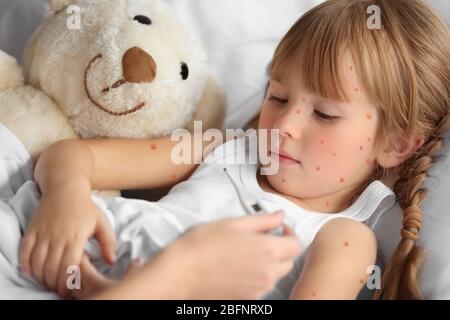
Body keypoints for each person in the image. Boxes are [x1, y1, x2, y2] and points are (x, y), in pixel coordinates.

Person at [19, 0, 450, 299]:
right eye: (278, 98)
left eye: (325, 114)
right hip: (41, 257)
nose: (283, 126)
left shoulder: (340, 238)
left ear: (396, 143)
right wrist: (66, 197)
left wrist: (161, 283)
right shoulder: (225, 150)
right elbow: (72, 156)